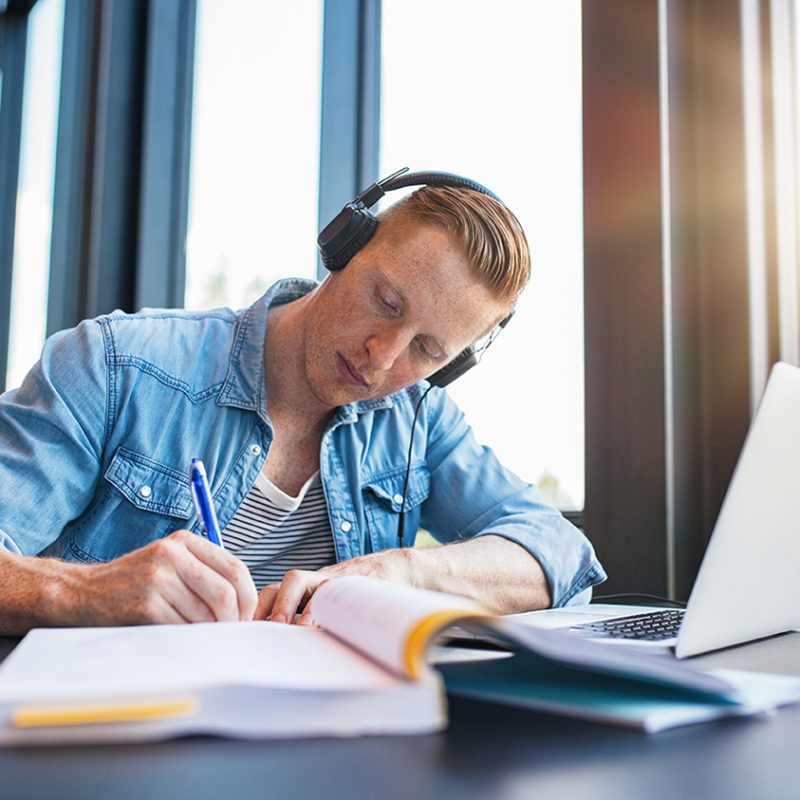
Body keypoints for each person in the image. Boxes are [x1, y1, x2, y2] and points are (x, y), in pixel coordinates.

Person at [0, 177, 606, 635]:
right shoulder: (112, 364)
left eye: (425, 348)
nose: (381, 354)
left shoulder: (416, 420)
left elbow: (557, 551)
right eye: (386, 300)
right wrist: (83, 592)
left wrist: (401, 573)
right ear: (343, 247)